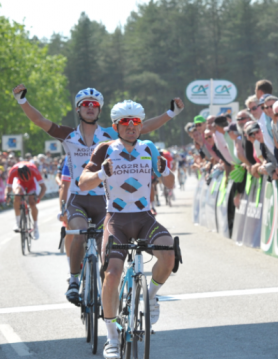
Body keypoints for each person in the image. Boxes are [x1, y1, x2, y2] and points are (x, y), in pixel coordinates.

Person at [12, 83, 183, 306]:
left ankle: (108, 296)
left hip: (105, 201)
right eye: (85, 105)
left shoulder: (110, 134)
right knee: (80, 234)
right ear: (78, 109)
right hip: (78, 198)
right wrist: (22, 101)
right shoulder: (68, 135)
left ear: (100, 110)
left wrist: (170, 113)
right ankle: (73, 281)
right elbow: (40, 121)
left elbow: (143, 127)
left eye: (94, 105)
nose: (90, 108)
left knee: (108, 251)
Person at [78, 100, 176, 359]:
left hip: (144, 218)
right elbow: (83, 183)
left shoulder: (150, 148)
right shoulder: (105, 149)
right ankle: (111, 338)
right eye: (125, 123)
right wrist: (100, 173)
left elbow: (170, 183)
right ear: (116, 126)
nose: (131, 127)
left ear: (141, 125)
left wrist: (166, 170)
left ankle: (151, 296)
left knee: (169, 254)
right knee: (112, 273)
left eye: (136, 122)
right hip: (116, 220)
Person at [7, 161, 46, 239]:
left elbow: (43, 187)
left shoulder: (34, 169)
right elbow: (8, 189)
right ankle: (17, 223)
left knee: (32, 203)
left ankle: (35, 227)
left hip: (31, 183)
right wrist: (7, 196)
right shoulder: (13, 170)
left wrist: (38, 198)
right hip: (19, 183)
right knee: (17, 196)